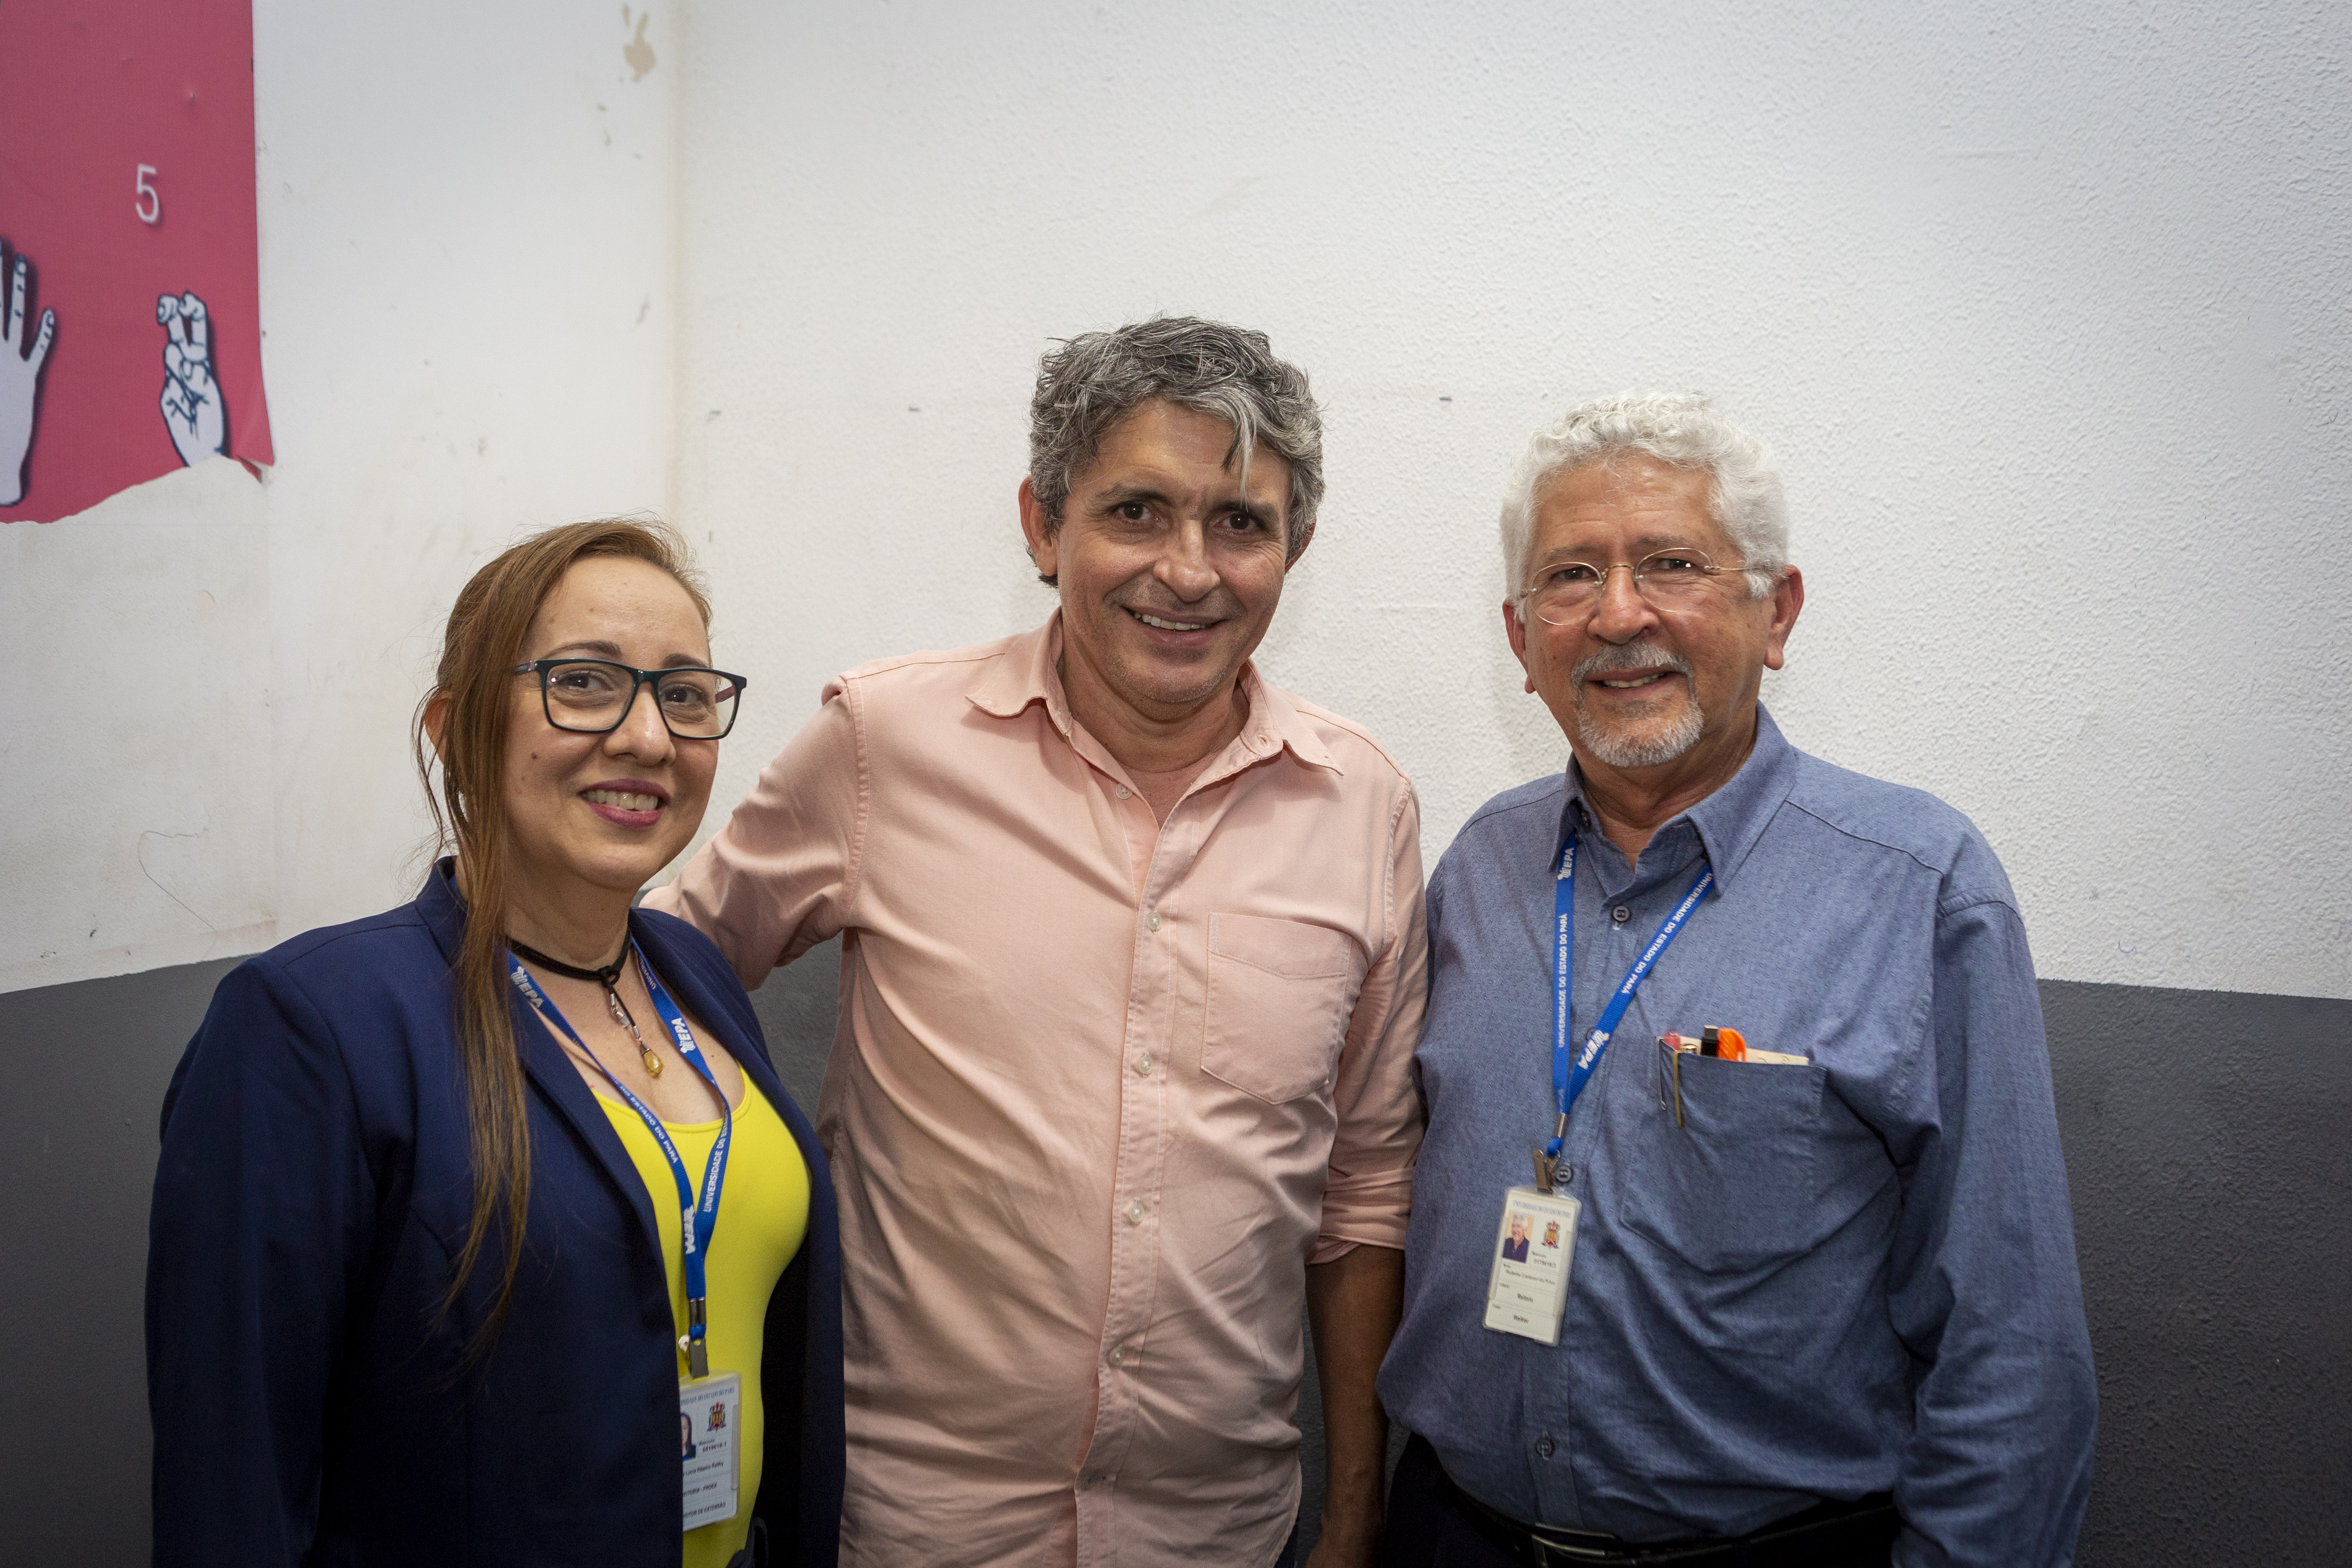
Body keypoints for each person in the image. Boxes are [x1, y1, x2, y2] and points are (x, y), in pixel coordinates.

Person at [647, 317, 1427, 1567]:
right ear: (1042, 523)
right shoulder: (885, 745)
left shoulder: (1363, 805)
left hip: (1218, 1532)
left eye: (1240, 522)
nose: (1188, 571)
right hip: (911, 1522)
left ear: (1297, 547)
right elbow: (655, 986)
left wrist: (1351, 1516)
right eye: (1136, 512)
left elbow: (1366, 1190)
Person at [1377, 393, 2097, 1567]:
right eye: (1571, 576)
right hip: (1454, 1533)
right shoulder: (1479, 867)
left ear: (1778, 611)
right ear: (1519, 639)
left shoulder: (1920, 888)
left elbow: (2012, 1342)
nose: (1619, 614)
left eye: (1673, 564)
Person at [147, 519, 844, 1567]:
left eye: (686, 694)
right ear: (453, 726)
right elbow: (230, 1483)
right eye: (584, 683)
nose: (649, 738)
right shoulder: (310, 1027)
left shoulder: (694, 977)